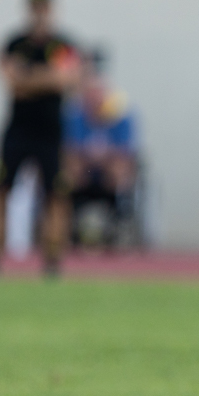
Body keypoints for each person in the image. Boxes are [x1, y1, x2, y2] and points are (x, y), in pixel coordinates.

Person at [0, 0, 82, 277]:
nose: (40, 13)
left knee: (55, 195)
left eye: (44, 7)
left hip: (50, 133)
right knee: (0, 191)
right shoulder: (15, 42)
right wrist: (45, 78)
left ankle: (52, 263)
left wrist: (31, 78)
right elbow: (11, 80)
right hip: (16, 132)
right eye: (35, 7)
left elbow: (67, 79)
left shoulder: (63, 45)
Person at [65, 51, 138, 248]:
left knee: (119, 169)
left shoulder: (121, 118)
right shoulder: (76, 118)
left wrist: (101, 160)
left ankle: (120, 229)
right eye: (91, 95)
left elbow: (124, 154)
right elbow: (72, 151)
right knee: (70, 169)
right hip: (84, 175)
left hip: (108, 176)